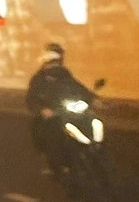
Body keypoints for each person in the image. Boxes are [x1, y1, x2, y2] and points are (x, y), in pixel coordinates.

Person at [25, 43, 93, 173]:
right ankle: (57, 166)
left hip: (66, 110)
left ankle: (92, 150)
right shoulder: (39, 78)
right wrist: (43, 109)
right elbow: (31, 98)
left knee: (89, 120)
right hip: (52, 114)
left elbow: (77, 86)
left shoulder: (64, 74)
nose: (56, 61)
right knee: (54, 135)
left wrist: (92, 98)